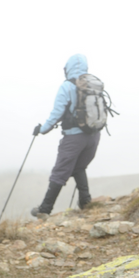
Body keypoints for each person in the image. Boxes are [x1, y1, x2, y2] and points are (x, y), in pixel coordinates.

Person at [31, 54, 100, 217]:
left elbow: (57, 114)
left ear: (67, 69)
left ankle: (45, 209)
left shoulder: (67, 87)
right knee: (79, 167)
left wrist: (42, 129)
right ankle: (86, 202)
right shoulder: (92, 84)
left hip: (74, 137)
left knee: (60, 172)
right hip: (94, 135)